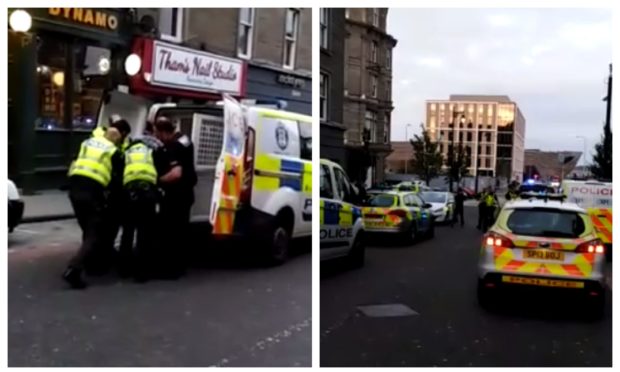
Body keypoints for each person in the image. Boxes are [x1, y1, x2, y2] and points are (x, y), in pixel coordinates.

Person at [62, 124, 127, 289]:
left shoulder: (87, 143)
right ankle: (74, 268)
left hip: (74, 189)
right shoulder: (113, 151)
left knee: (87, 229)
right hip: (91, 192)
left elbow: (75, 162)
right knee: (94, 233)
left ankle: (86, 265)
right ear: (117, 140)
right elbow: (117, 180)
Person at [153, 117, 198, 279]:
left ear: (164, 132)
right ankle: (180, 266)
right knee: (181, 230)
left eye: (158, 134)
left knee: (170, 232)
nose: (158, 139)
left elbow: (176, 174)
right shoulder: (185, 139)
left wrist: (156, 181)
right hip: (187, 193)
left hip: (175, 195)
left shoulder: (173, 147)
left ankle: (171, 269)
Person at [118, 136, 159, 282]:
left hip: (129, 193)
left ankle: (123, 269)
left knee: (128, 232)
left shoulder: (127, 152)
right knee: (144, 233)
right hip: (147, 193)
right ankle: (141, 272)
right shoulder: (150, 151)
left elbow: (119, 173)